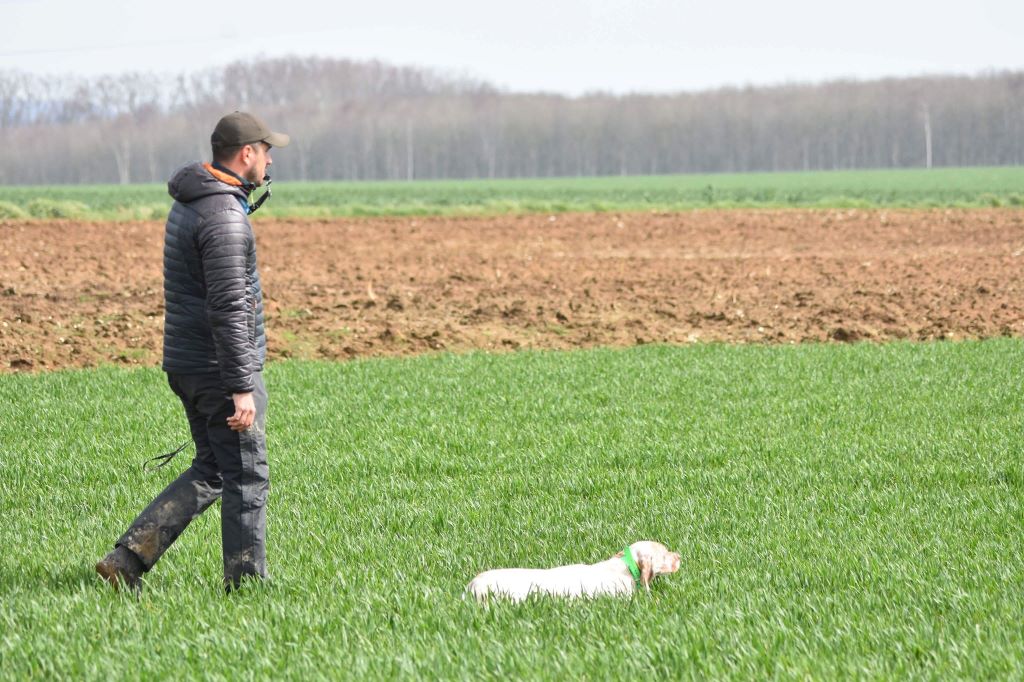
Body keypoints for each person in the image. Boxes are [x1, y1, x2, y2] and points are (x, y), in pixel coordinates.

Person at [95, 111, 289, 593]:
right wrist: (241, 387)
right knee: (246, 474)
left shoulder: (194, 201)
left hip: (188, 361)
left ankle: (128, 558)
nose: (269, 161)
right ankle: (246, 587)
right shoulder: (224, 217)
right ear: (247, 154)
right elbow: (228, 307)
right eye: (266, 151)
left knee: (214, 468)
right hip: (216, 366)